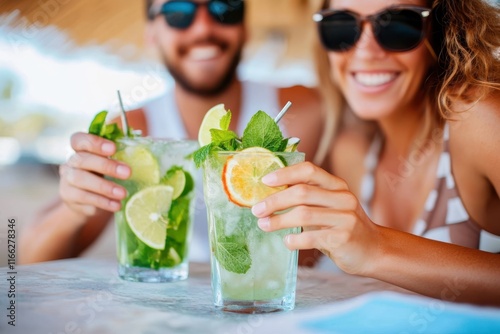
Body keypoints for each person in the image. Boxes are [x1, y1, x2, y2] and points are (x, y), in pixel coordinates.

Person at [19, 0, 330, 264]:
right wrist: (74, 207)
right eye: (178, 12)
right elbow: (29, 261)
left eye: (225, 8)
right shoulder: (130, 131)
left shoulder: (308, 111)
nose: (203, 28)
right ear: (152, 33)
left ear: (245, 26)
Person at [251, 0, 500, 305]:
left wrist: (377, 248)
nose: (367, 52)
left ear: (441, 29)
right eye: (341, 26)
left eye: (397, 25)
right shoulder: (351, 147)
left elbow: (368, 250)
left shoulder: (479, 119)